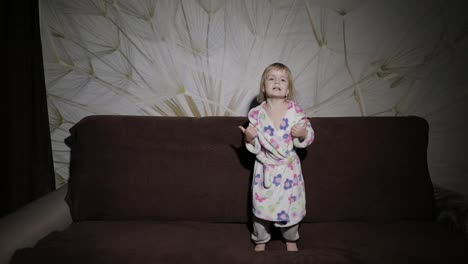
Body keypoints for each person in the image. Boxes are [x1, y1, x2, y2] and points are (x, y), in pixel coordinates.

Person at [238, 62, 315, 252]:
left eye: (282, 79)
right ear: (264, 87)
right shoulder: (256, 114)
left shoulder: (296, 111)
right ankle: (260, 239)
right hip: (266, 170)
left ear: (288, 89)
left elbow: (309, 134)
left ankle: (290, 238)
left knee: (291, 209)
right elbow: (253, 144)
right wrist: (249, 138)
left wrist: (302, 133)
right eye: (271, 78)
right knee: (261, 210)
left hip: (289, 171)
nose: (276, 82)